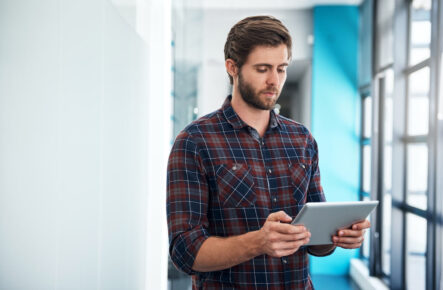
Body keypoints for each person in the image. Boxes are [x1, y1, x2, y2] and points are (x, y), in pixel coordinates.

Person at [166, 15, 370, 289]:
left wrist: (338, 236)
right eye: (263, 69)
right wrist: (258, 242)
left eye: (282, 69)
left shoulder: (302, 139)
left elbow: (316, 243)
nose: (275, 80)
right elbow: (184, 251)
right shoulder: (194, 141)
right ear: (232, 68)